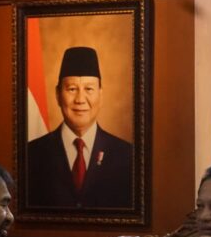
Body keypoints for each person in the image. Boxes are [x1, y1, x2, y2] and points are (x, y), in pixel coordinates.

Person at [26, 46, 133, 209]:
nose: (80, 99)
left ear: (101, 95)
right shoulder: (31, 154)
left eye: (89, 89)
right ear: (57, 95)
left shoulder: (127, 156)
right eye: (72, 89)